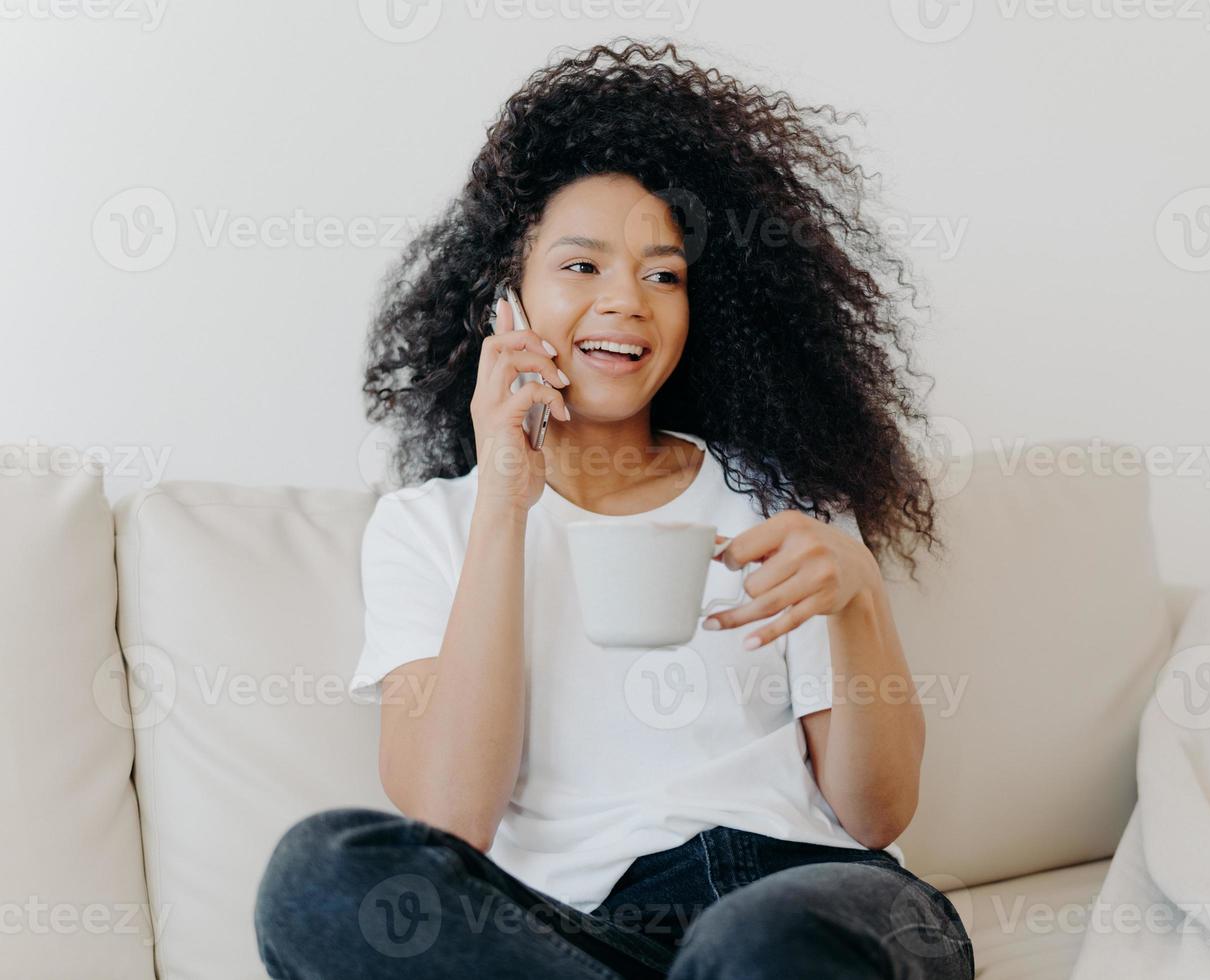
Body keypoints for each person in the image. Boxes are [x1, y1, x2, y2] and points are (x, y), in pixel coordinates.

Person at [254, 37, 969, 979]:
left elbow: (876, 815)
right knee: (318, 874)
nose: (626, 301)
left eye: (663, 274)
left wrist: (861, 599)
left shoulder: (784, 498)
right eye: (582, 267)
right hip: (592, 932)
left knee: (753, 945)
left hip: (814, 901)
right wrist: (506, 501)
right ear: (504, 299)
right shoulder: (427, 529)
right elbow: (451, 820)